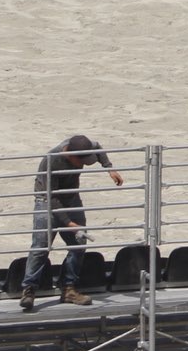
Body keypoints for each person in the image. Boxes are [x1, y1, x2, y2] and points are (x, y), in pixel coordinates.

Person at [20, 134, 123, 312]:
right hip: (46, 201)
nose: (83, 164)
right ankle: (29, 290)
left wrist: (109, 168)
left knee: (78, 243)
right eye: (81, 161)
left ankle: (69, 288)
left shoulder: (83, 147)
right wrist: (68, 223)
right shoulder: (51, 161)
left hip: (71, 198)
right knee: (41, 247)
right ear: (71, 155)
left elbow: (97, 147)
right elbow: (51, 197)